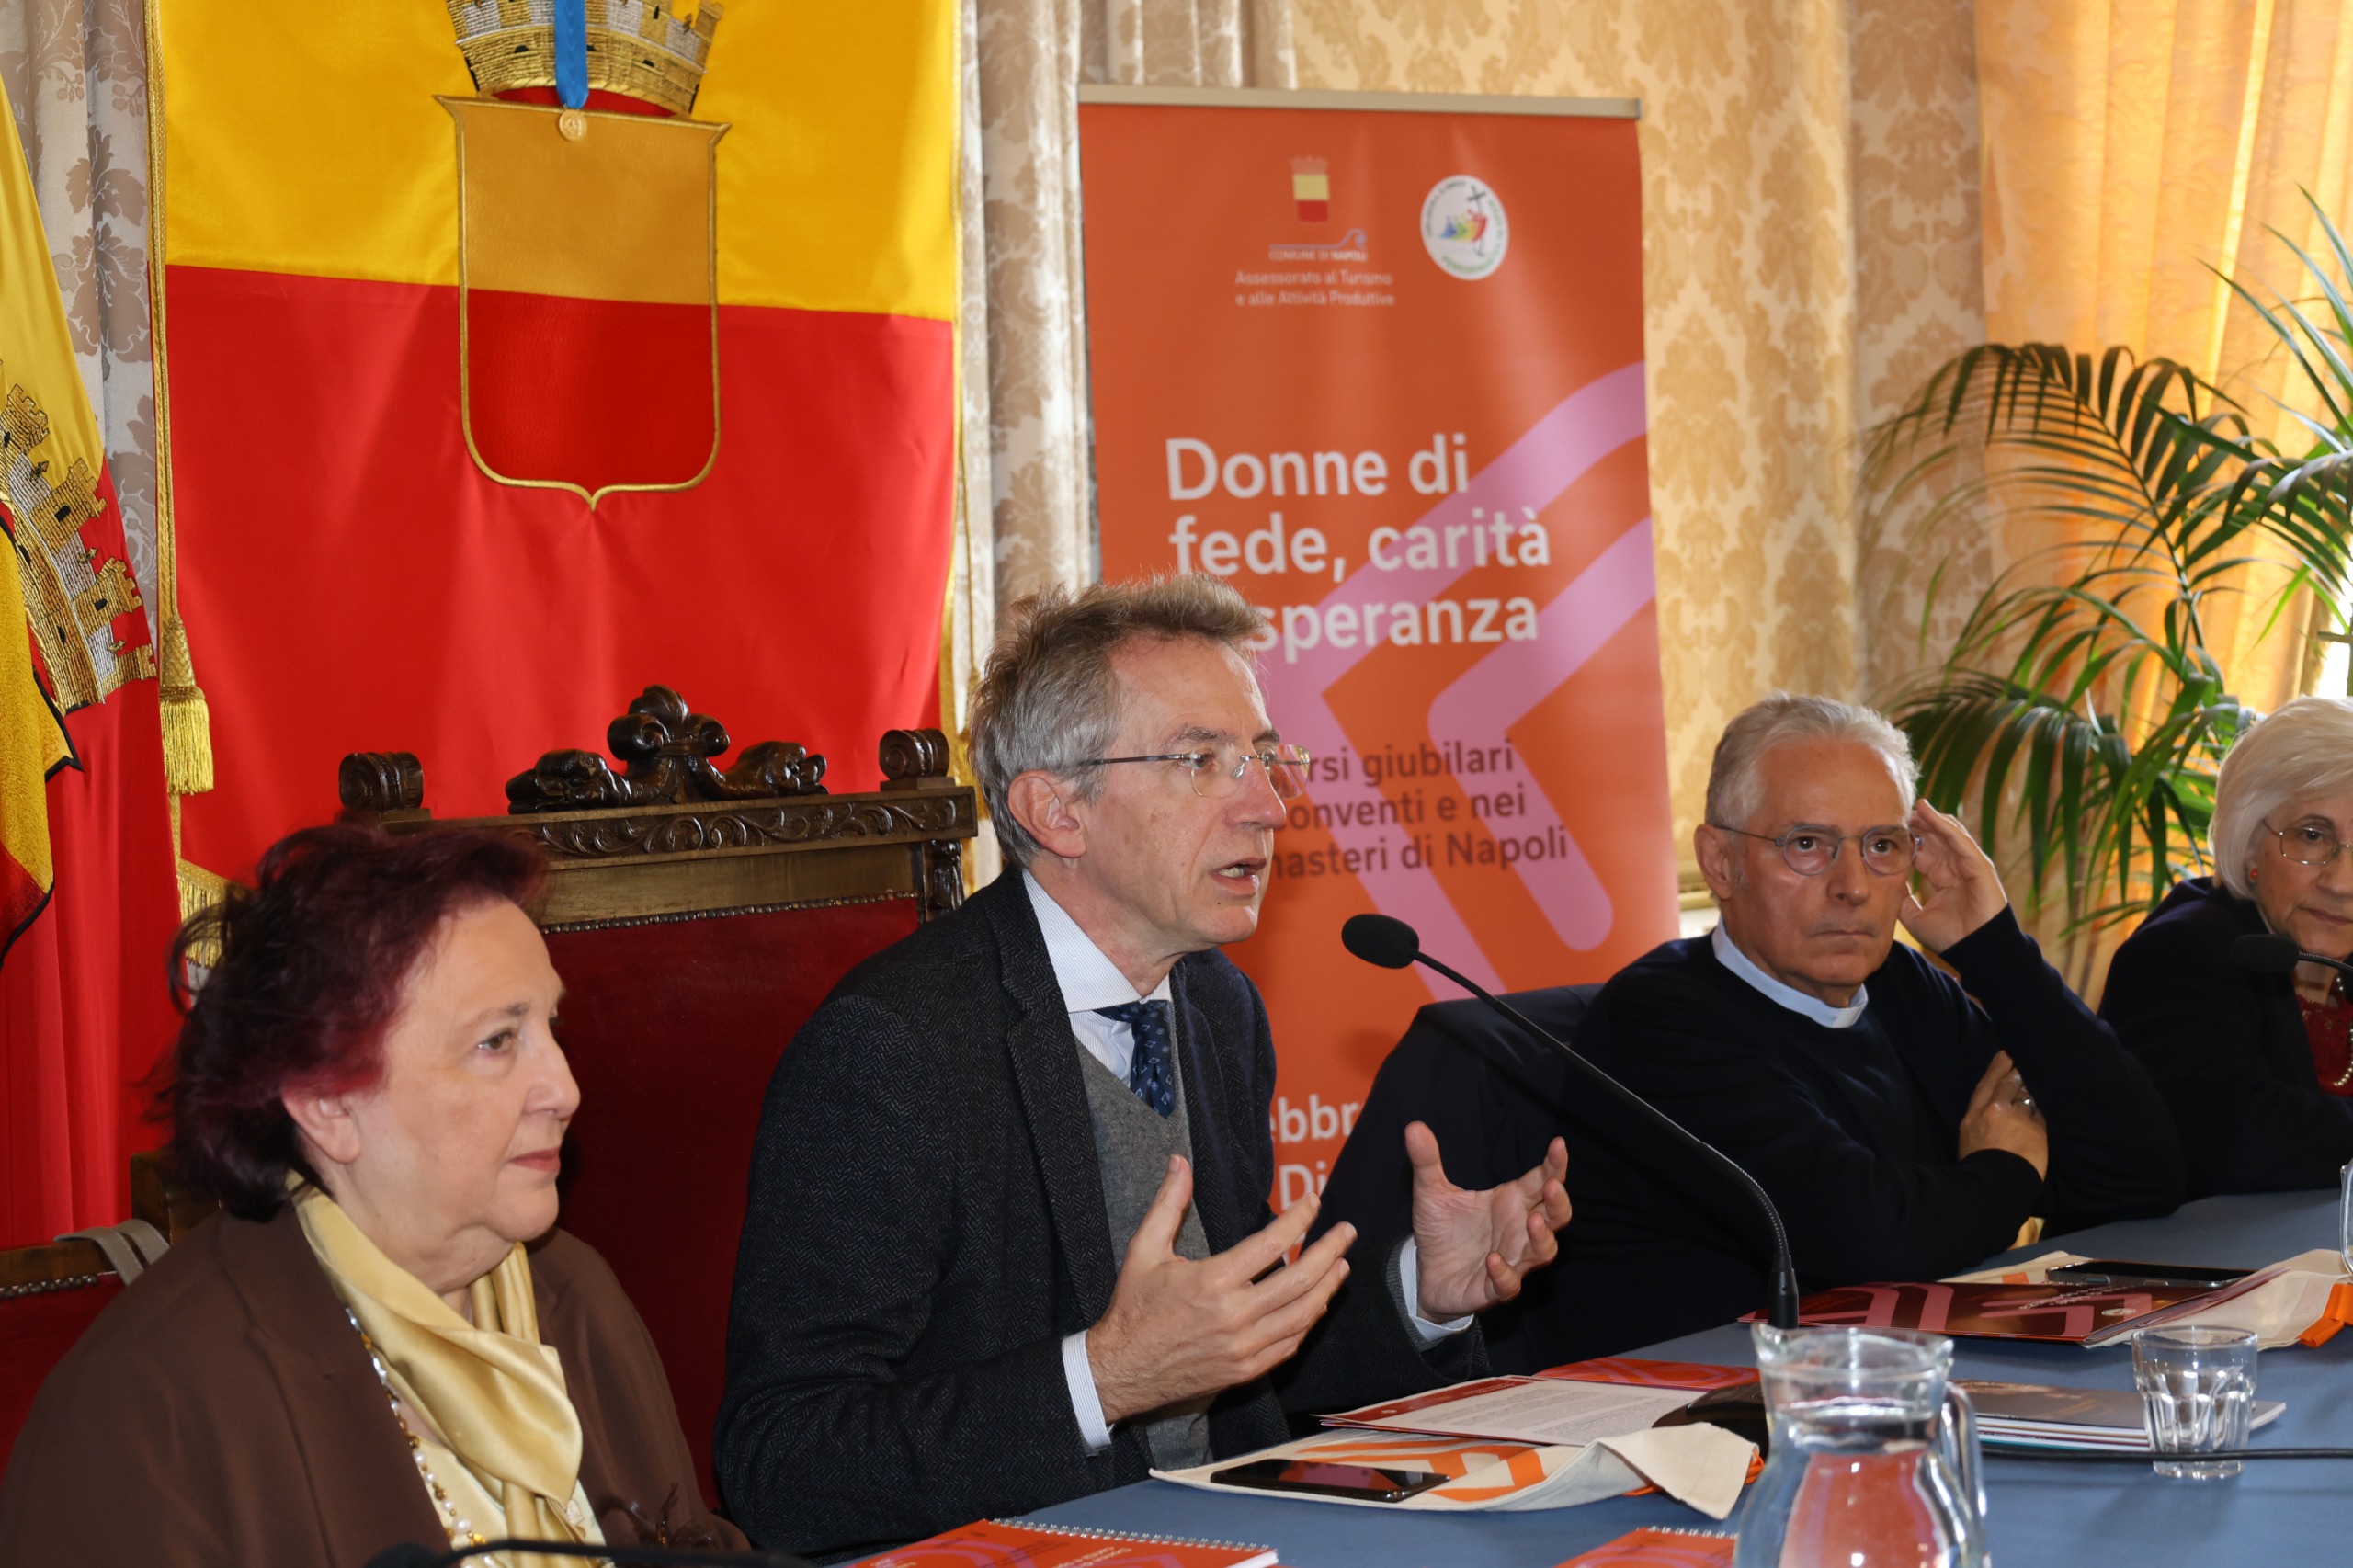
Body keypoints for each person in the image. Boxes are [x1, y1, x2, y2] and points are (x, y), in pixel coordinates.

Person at [717, 575, 1572, 1561]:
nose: (1266, 805)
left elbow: (1239, 1380)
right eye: (1200, 759)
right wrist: (1105, 1376)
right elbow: (781, 1462)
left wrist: (1422, 1288)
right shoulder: (892, 1048)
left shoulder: (1214, 1005)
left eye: (1261, 756)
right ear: (1056, 810)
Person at [0, 826, 739, 1567]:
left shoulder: (572, 1293)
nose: (565, 1090)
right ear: (327, 1102)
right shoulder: (150, 1408)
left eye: (551, 1026)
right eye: (497, 1042)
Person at [1536, 694, 2183, 1360]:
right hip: (1693, 1421)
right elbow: (1873, 1241)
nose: (1851, 886)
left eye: (1881, 846)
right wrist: (2008, 1167)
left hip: (1886, 1382)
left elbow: (2138, 1173)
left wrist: (1995, 952)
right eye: (1807, 845)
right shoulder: (1659, 1024)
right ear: (1721, 863)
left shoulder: (1902, 986)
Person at [2103, 697, 2353, 1195]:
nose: (2343, 882)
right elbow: (2239, 1142)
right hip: (2171, 1265)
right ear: (2247, 843)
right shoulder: (2181, 953)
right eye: (2312, 836)